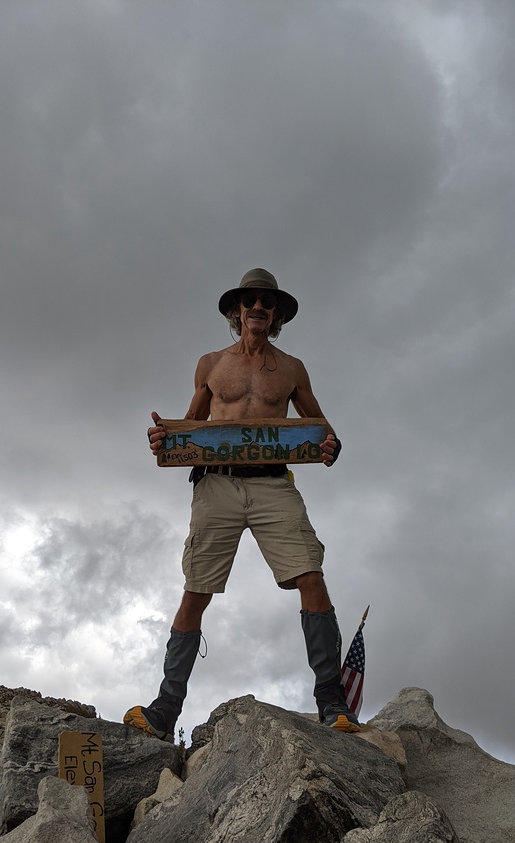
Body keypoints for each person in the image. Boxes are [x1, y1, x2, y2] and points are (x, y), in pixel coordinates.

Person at [123, 268, 360, 742]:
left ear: (276, 316)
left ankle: (332, 701)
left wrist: (332, 446)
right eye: (249, 300)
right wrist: (163, 439)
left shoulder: (292, 369)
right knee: (196, 590)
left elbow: (321, 429)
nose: (257, 307)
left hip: (273, 484)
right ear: (236, 310)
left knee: (310, 575)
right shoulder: (210, 364)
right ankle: (165, 710)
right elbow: (191, 426)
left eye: (266, 302)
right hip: (217, 485)